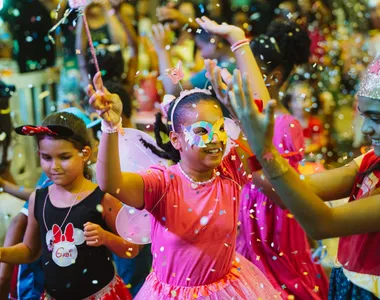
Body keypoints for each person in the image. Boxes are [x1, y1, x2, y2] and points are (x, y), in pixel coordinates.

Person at [88, 71, 279, 299]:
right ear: (177, 140)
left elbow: (261, 127)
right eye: (201, 131)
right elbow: (110, 183)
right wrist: (109, 126)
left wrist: (238, 103)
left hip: (229, 289)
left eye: (220, 129)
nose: (216, 138)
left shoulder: (230, 171)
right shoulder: (161, 183)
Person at [228, 54, 380, 299]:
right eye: (364, 116)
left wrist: (265, 151)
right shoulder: (372, 160)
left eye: (377, 118)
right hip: (350, 285)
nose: (365, 129)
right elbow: (299, 189)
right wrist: (248, 140)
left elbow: (322, 223)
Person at [197, 17, 329, 299]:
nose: (241, 77)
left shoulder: (287, 123)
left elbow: (283, 187)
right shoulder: (247, 117)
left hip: (276, 219)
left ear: (274, 76)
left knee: (280, 280)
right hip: (252, 211)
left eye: (249, 72)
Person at [0, 111, 139, 299]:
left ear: (85, 154)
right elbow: (30, 251)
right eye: (46, 158)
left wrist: (106, 237)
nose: (54, 166)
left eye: (64, 157)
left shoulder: (103, 199)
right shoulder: (38, 199)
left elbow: (132, 250)